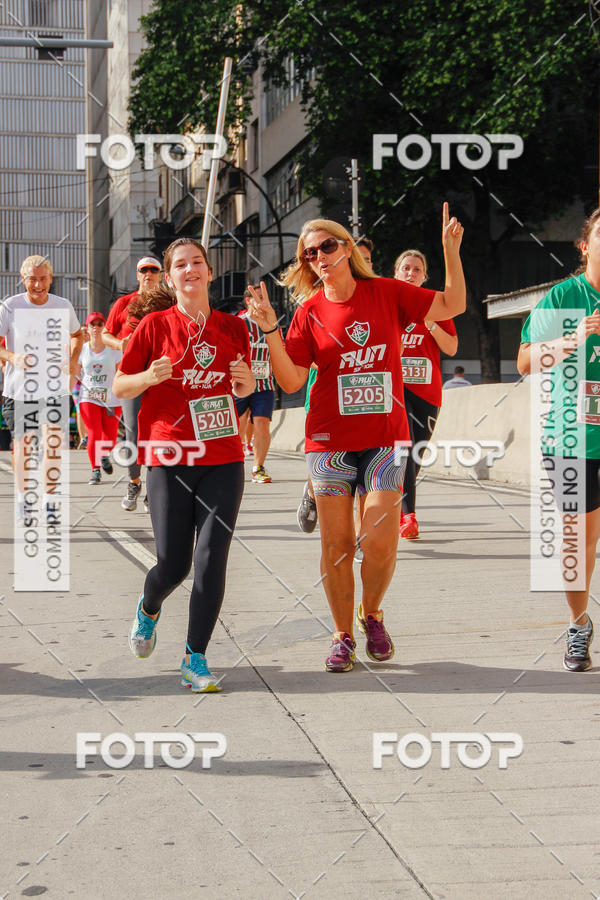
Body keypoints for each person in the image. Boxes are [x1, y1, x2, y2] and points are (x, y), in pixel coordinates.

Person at [247, 204, 465, 671]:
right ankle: (343, 634)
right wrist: (270, 330)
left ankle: (373, 613)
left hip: (385, 438)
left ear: (346, 248)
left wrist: (450, 251)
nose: (319, 257)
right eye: (309, 254)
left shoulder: (387, 292)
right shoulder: (308, 312)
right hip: (329, 441)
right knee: (337, 545)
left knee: (380, 541)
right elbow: (291, 380)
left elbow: (453, 305)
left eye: (326, 246)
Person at [113, 237, 254, 692]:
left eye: (197, 262)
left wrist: (247, 384)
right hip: (169, 455)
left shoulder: (234, 328)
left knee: (211, 560)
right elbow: (119, 386)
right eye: (180, 264)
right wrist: (147, 376)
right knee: (173, 565)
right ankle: (149, 606)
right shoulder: (154, 326)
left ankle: (195, 658)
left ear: (209, 272)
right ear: (170, 279)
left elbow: (242, 389)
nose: (189, 269)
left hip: (222, 458)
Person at [517, 207, 600, 673]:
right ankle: (578, 624)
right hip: (571, 438)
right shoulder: (564, 298)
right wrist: (572, 339)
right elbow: (525, 361)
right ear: (584, 246)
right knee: (576, 543)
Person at [0, 255, 83, 519]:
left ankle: (49, 501)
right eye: (32, 279)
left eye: (43, 279)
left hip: (54, 389)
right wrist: (13, 357)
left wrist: (73, 360)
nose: (38, 285)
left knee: (53, 445)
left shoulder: (63, 305)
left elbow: (77, 335)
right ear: (22, 279)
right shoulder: (10, 307)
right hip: (19, 391)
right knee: (24, 449)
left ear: (51, 278)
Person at [394, 249, 459, 539]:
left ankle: (397, 506)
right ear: (396, 273)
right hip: (395, 391)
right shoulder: (388, 303)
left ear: (424, 276)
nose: (411, 273)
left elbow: (451, 348)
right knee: (404, 446)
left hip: (427, 393)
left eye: (416, 269)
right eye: (406, 268)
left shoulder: (436, 304)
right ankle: (409, 515)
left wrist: (430, 322)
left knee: (415, 455)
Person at [103, 256, 163, 512]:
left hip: (160, 374)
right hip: (131, 375)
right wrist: (120, 344)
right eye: (143, 270)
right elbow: (106, 334)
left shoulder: (167, 302)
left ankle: (152, 489)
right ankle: (134, 482)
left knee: (160, 431)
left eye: (153, 270)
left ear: (161, 275)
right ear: (137, 275)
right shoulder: (124, 303)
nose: (148, 273)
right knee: (133, 431)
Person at [76, 312, 122, 485]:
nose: (96, 327)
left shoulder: (115, 350)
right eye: (92, 324)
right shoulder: (82, 350)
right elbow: (75, 373)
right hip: (88, 397)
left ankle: (104, 455)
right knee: (94, 433)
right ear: (87, 328)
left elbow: (121, 374)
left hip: (111, 399)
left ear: (104, 327)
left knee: (110, 439)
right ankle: (95, 470)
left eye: (99, 324)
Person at [236, 285, 276, 483]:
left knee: (261, 422)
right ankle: (234, 465)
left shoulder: (271, 322)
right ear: (248, 300)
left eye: (263, 297)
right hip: (241, 383)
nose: (261, 301)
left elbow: (280, 349)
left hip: (264, 384)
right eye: (256, 297)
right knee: (238, 424)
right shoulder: (239, 323)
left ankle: (258, 467)